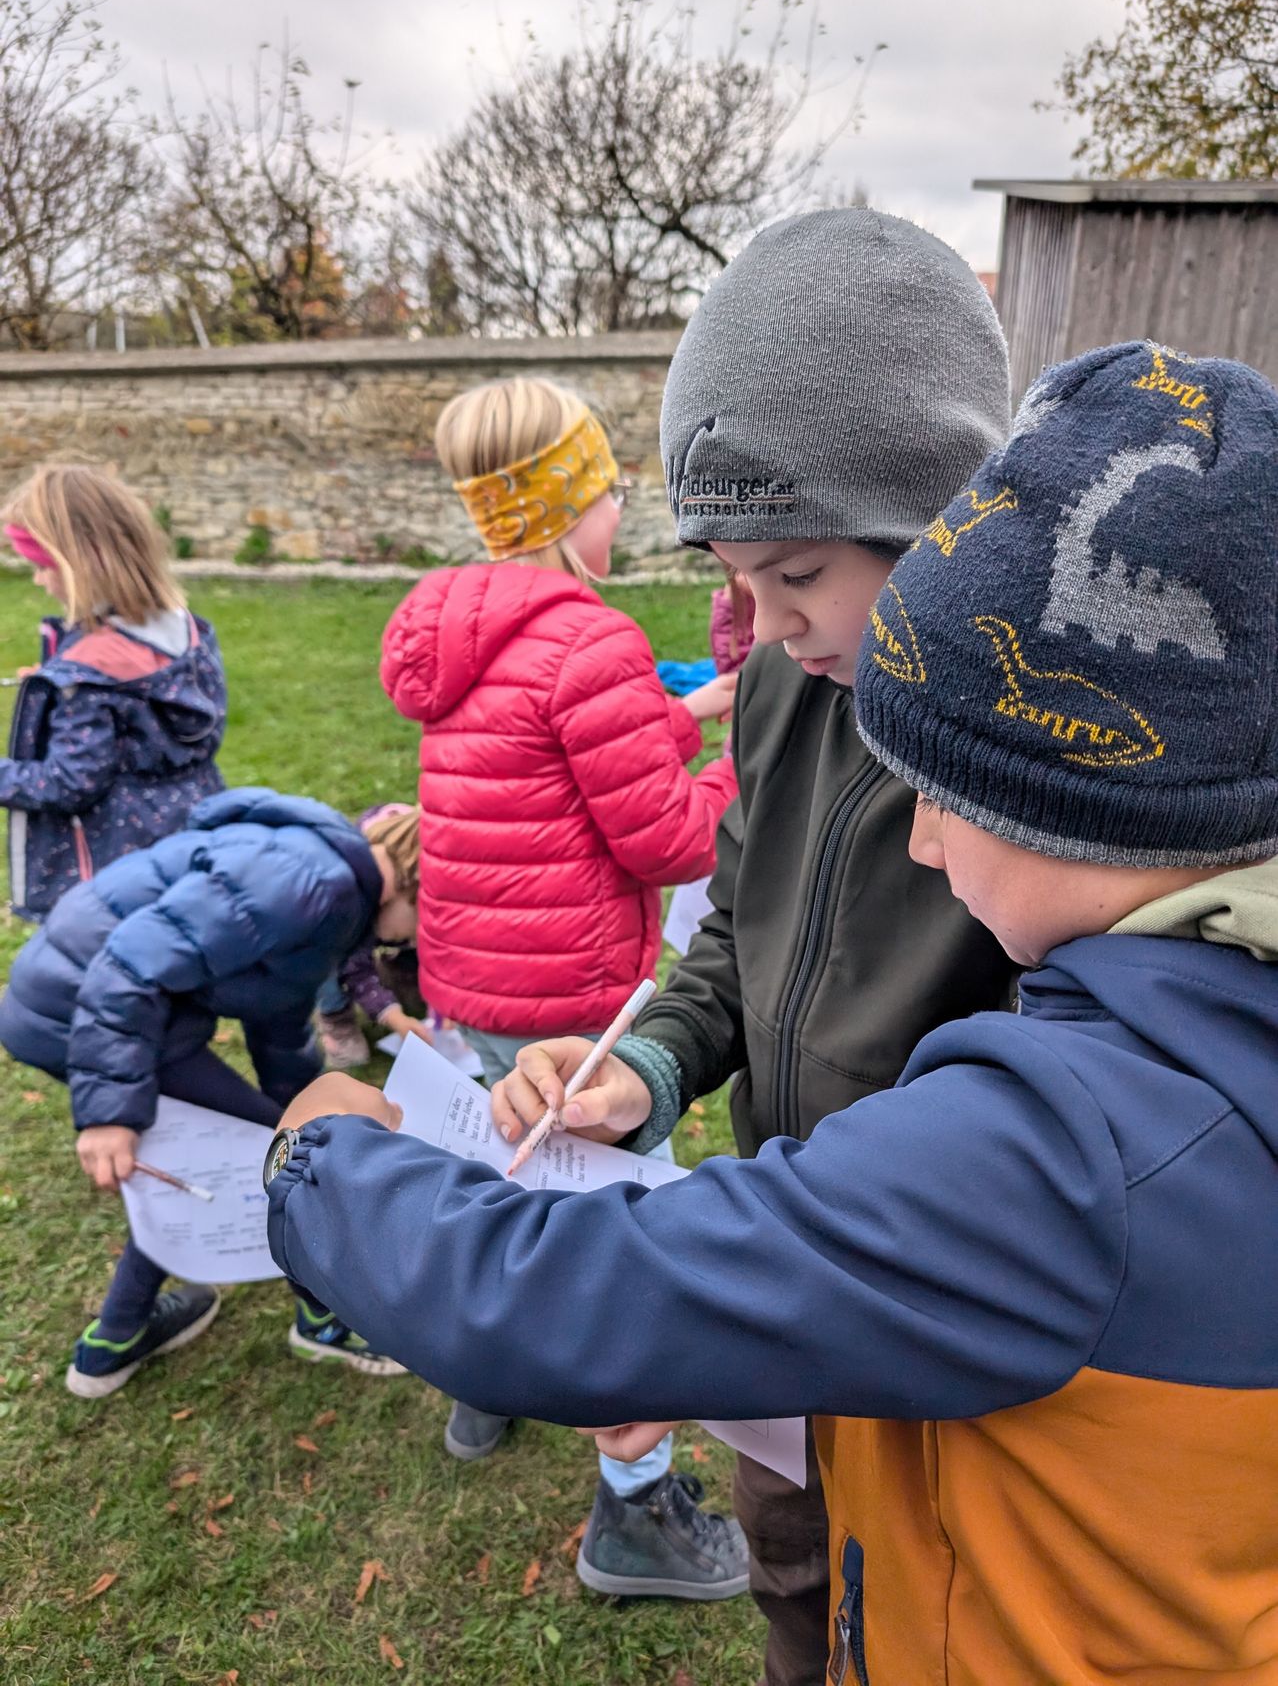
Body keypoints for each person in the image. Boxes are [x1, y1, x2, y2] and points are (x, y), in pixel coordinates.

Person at [267, 340, 1278, 1684]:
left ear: (1084, 788)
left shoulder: (1078, 1150)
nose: (921, 844)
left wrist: (315, 1153)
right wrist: (656, 1063)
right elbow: (733, 934)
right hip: (910, 1473)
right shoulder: (1191, 1019)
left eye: (949, 791)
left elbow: (564, 1295)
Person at [492, 208, 1018, 1672]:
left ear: (940, 521)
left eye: (794, 574)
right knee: (796, 1586)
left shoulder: (1044, 753)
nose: (766, 627)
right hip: (786, 1290)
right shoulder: (791, 684)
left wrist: (745, 1281)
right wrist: (648, 1068)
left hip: (935, 1309)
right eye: (733, 578)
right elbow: (732, 926)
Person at [379, 374, 744, 1596]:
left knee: (500, 1173)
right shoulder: (590, 637)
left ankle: (482, 1386)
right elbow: (667, 843)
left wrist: (683, 713)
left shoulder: (450, 623)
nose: (622, 503)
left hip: (477, 985)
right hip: (580, 1001)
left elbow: (553, 760)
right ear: (567, 502)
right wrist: (747, 764)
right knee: (616, 1232)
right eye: (607, 484)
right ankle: (633, 1513)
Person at [0, 787, 418, 1399]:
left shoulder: (336, 888)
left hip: (109, 1009)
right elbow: (129, 968)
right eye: (422, 929)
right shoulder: (312, 884)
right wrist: (110, 1113)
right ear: (417, 883)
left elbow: (278, 1005)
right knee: (277, 1165)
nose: (404, 947)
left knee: (257, 1149)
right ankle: (320, 1324)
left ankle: (115, 1339)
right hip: (86, 1011)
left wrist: (300, 1103)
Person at [0, 463, 226, 921]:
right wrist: (58, 678)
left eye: (42, 566)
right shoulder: (184, 629)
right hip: (188, 843)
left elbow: (67, 783)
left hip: (110, 882)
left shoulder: (89, 677)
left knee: (106, 984)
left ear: (81, 562)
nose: (38, 581)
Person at [315, 802, 433, 1070]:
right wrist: (393, 1018)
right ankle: (335, 1014)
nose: (418, 934)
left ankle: (400, 970)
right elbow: (354, 966)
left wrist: (446, 1004)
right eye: (419, 924)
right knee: (327, 961)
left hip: (388, 925)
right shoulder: (345, 907)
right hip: (330, 947)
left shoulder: (410, 889)